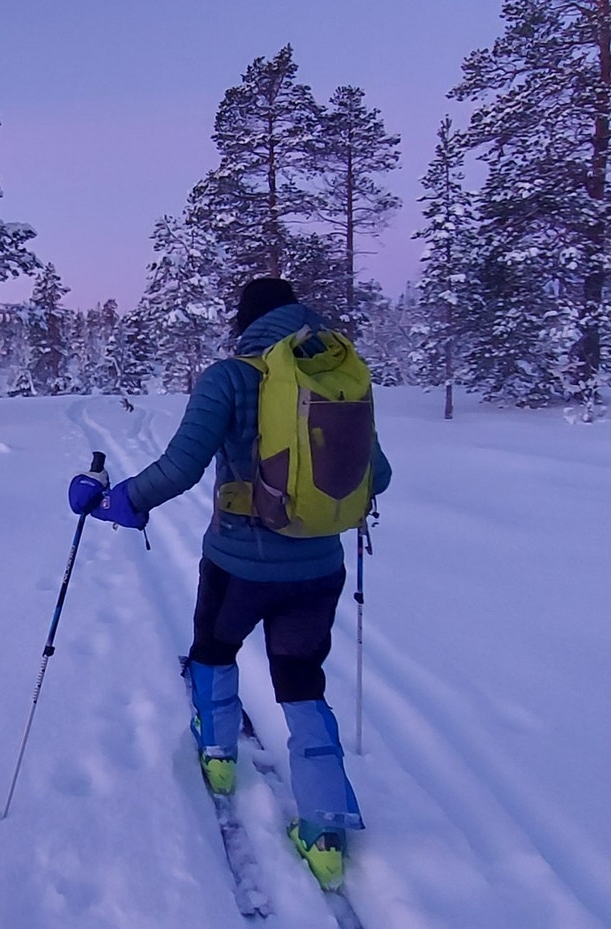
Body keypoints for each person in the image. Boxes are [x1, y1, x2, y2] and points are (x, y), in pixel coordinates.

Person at [67, 276, 391, 890]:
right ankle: (325, 832)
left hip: (238, 563)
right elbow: (381, 474)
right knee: (301, 680)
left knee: (214, 650)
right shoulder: (338, 373)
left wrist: (115, 502)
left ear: (246, 321)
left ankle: (218, 759)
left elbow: (181, 467)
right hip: (320, 568)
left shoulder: (229, 377)